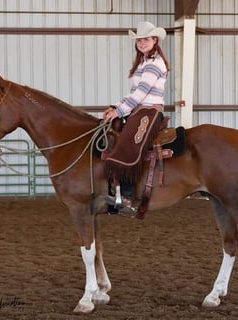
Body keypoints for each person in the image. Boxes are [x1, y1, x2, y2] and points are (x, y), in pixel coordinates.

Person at [102, 21, 170, 215]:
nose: (142, 42)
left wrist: (119, 111)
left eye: (146, 39)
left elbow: (141, 93)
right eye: (139, 40)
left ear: (154, 40)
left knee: (130, 143)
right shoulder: (143, 62)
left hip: (149, 111)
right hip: (138, 110)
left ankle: (128, 198)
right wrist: (117, 107)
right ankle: (114, 192)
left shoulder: (155, 63)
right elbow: (133, 93)